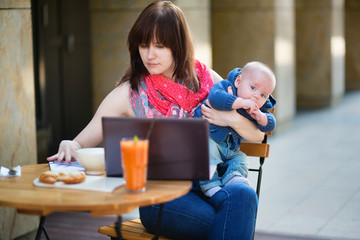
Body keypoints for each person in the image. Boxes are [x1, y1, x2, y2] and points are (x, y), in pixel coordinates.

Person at [47, 1, 264, 239]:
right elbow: (84, 139)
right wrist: (71, 145)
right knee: (229, 219)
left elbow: (257, 134)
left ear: (178, 46)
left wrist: (227, 117)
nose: (149, 55)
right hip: (162, 197)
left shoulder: (209, 81)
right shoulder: (130, 92)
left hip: (214, 182)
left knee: (244, 197)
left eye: (160, 46)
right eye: (143, 45)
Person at [194, 61, 277, 198]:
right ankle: (209, 184)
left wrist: (261, 117)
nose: (256, 96)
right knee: (207, 151)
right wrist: (240, 103)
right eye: (253, 88)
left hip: (231, 149)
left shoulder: (258, 107)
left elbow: (270, 123)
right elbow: (215, 98)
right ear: (238, 81)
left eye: (263, 95)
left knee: (241, 159)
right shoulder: (227, 86)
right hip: (210, 138)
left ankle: (233, 177)